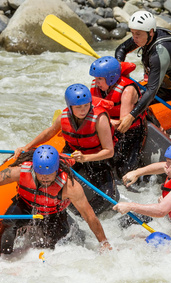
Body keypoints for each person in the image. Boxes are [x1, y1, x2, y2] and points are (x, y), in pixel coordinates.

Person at [0, 145, 111, 255]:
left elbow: (89, 216)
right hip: (25, 205)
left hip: (54, 214)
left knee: (56, 246)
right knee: (7, 229)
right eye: (40, 174)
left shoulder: (70, 186)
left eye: (49, 174)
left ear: (57, 169)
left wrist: (104, 242)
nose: (45, 178)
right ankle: (5, 260)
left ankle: (72, 227)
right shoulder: (21, 171)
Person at [14, 84, 119, 216]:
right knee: (56, 186)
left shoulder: (100, 119)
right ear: (70, 107)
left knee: (107, 198)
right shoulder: (63, 116)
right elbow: (48, 133)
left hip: (97, 158)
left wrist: (85, 158)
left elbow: (109, 151)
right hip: (71, 155)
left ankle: (85, 215)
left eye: (86, 105)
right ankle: (66, 211)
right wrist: (27, 147)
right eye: (78, 107)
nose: (83, 110)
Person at [114, 10, 171, 145]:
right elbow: (121, 49)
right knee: (135, 99)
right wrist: (120, 67)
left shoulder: (159, 52)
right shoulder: (144, 35)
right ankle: (158, 130)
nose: (134, 38)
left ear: (151, 32)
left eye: (137, 34)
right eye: (132, 33)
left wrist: (131, 116)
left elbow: (152, 91)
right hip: (168, 86)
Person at [89, 56, 147, 179]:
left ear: (111, 78)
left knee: (124, 171)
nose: (96, 82)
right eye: (95, 78)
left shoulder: (127, 90)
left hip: (131, 132)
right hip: (108, 128)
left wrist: (102, 122)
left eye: (100, 78)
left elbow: (123, 125)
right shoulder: (96, 86)